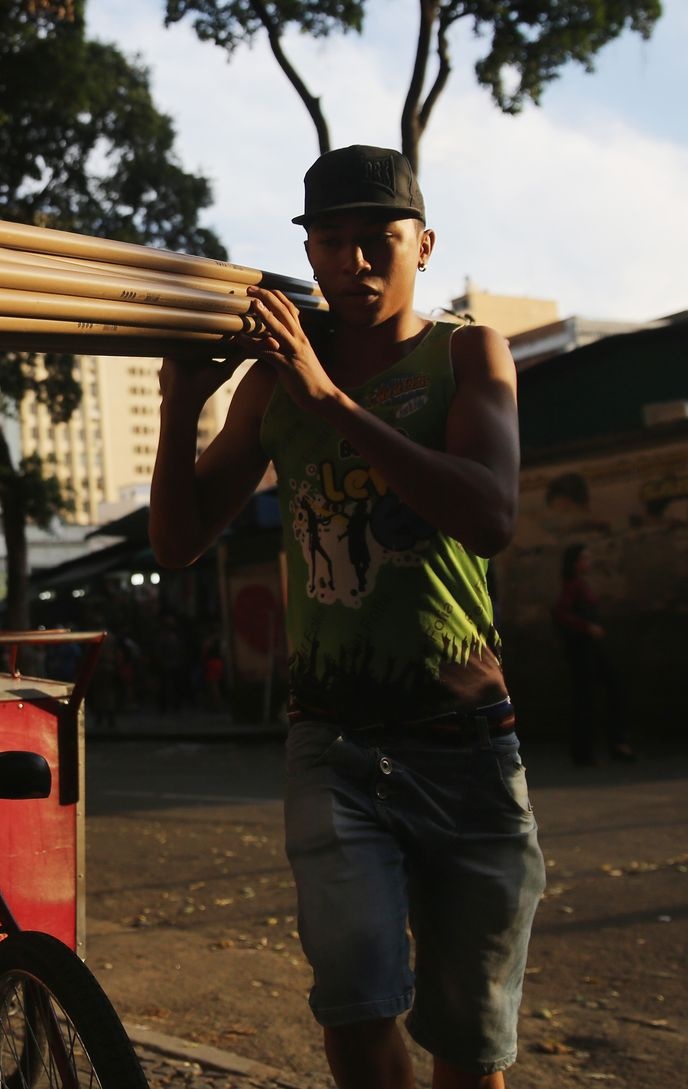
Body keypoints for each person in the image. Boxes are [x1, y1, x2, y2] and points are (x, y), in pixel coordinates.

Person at [149, 145, 542, 1089]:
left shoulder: (466, 353)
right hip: (334, 741)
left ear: (425, 243)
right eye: (334, 241)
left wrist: (331, 401)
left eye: (380, 240)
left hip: (465, 735)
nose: (357, 263)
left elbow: (489, 514)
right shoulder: (274, 377)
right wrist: (177, 412)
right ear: (312, 253)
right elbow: (177, 543)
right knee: (358, 1004)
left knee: (470, 1039)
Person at [552, 543, 634, 765]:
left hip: (588, 648)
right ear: (575, 563)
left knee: (603, 690)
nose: (589, 562)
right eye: (585, 558)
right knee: (588, 696)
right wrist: (586, 627)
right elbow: (560, 612)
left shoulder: (579, 584)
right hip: (583, 648)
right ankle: (593, 749)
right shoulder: (573, 585)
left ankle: (607, 745)